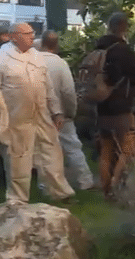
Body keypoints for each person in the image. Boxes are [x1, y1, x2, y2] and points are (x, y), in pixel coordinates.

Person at [0, 23, 75, 204]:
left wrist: (56, 111)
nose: (32, 37)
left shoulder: (37, 56)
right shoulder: (3, 58)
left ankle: (59, 192)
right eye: (27, 34)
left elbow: (48, 86)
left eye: (32, 33)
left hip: (41, 115)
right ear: (13, 36)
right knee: (18, 158)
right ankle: (18, 200)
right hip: (16, 118)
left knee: (52, 152)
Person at [96, 12, 135, 199]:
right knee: (129, 148)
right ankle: (116, 185)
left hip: (101, 105)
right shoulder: (122, 50)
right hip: (121, 106)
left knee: (106, 150)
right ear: (124, 27)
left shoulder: (98, 48)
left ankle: (105, 190)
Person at [39, 30, 95, 190]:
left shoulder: (32, 62)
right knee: (72, 148)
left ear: (42, 43)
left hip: (39, 114)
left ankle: (46, 186)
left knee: (44, 151)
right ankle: (85, 181)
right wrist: (71, 112)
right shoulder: (60, 64)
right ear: (56, 45)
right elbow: (68, 92)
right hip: (61, 115)